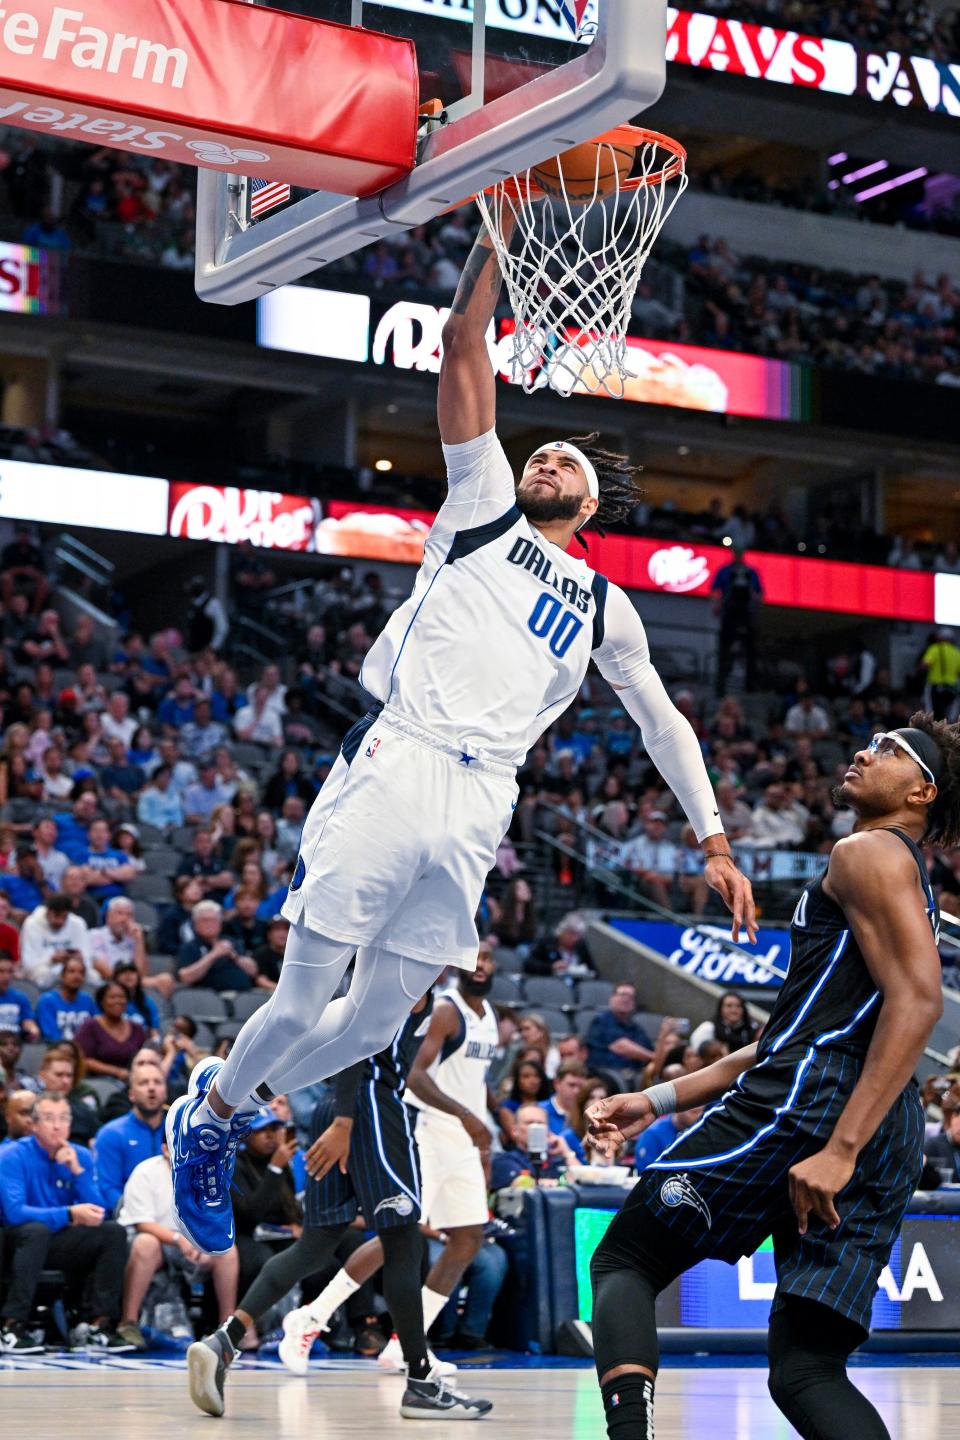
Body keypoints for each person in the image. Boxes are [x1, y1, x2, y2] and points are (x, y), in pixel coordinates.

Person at [165, 214, 755, 1258]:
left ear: (593, 500)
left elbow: (664, 722)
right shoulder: (482, 504)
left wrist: (711, 837)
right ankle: (214, 1117)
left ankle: (223, 1097)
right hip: (406, 755)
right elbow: (464, 345)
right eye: (539, 450)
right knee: (308, 993)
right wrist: (496, 230)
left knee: (376, 1025)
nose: (545, 460)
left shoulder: (608, 607)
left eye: (563, 457)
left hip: (486, 800)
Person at [586, 715, 954, 1440]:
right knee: (805, 1371)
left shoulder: (865, 852)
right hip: (884, 1120)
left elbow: (920, 1001)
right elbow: (782, 1038)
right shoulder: (911, 885)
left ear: (921, 791)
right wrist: (655, 1097)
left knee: (626, 1259)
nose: (863, 751)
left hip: (818, 1105)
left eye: (889, 751)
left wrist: (840, 1146)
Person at [188, 1002, 492, 1421]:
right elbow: (358, 1039)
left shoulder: (405, 973)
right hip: (369, 1109)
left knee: (315, 1245)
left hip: (339, 1105)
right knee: (403, 1242)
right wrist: (346, 1123)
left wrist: (341, 1116)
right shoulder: (409, 963)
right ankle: (420, 1381)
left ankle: (226, 1339)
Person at [401, 943, 501, 1369]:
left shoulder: (490, 1015)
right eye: (474, 959)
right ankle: (314, 1315)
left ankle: (405, 1344)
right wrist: (467, 1116)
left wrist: (496, 1120)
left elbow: (470, 1078)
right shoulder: (446, 1009)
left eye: (488, 960)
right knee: (401, 1231)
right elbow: (415, 1075)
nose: (481, 967)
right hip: (431, 1128)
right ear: (459, 965)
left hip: (463, 1135)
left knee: (467, 1238)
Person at [0, 1093, 131, 1353]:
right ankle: (11, 1326)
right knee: (35, 1232)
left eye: (63, 1119)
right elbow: (15, 1213)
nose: (57, 1126)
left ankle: (96, 1326)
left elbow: (100, 1213)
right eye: (49, 1119)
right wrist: (69, 1214)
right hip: (15, 1242)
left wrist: (78, 1173)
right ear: (34, 1124)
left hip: (57, 1242)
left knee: (113, 1233)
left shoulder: (80, 1156)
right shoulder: (11, 1155)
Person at [117, 1145, 239, 1352]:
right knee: (146, 1243)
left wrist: (201, 1240)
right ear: (166, 1148)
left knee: (226, 1250)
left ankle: (227, 1328)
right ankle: (128, 1323)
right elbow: (142, 1223)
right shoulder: (146, 1172)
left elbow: (214, 1218)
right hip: (155, 1240)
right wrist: (177, 1239)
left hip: (191, 1242)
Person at [94, 1062, 167, 1215]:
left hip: (174, 1214)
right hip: (129, 1216)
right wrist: (137, 1215)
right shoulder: (111, 1134)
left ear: (165, 1091)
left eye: (157, 1082)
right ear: (131, 1094)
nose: (151, 1088)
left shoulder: (180, 1133)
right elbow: (108, 1188)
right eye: (143, 1083)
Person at [711, 543, 763, 695]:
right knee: (725, 652)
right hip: (729, 615)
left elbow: (759, 594)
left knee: (750, 652)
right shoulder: (725, 571)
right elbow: (714, 590)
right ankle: (720, 687)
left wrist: (755, 610)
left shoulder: (752, 572)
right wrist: (716, 606)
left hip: (746, 616)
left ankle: (750, 686)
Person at [177, 900, 260, 992]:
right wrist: (214, 954)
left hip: (243, 994)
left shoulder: (232, 942)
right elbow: (185, 978)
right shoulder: (190, 947)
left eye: (214, 920)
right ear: (195, 924)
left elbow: (253, 971)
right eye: (205, 920)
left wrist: (234, 955)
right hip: (211, 998)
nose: (210, 924)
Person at [75, 981, 148, 1081]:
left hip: (133, 1081)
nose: (118, 1001)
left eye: (122, 997)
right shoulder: (90, 1026)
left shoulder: (137, 1028)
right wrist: (116, 1072)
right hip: (99, 1082)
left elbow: (146, 1056)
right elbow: (84, 1060)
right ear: (102, 1001)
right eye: (112, 997)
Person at [586, 984, 655, 1081]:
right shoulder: (602, 1021)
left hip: (634, 1074)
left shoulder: (635, 1027)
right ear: (612, 998)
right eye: (622, 995)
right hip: (605, 1075)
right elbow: (621, 1046)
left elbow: (649, 1048)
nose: (626, 999)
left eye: (630, 997)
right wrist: (654, 1057)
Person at [36, 953, 97, 1041]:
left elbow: (96, 1030)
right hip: (57, 1050)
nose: (77, 976)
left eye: (81, 973)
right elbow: (51, 1034)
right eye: (71, 971)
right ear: (62, 976)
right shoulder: (47, 1001)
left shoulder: (88, 1000)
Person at [689, 991, 757, 1053]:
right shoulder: (708, 1028)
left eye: (738, 1006)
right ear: (721, 1009)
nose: (734, 1010)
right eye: (729, 1006)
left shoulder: (752, 1028)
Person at [922, 628, 960, 721]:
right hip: (952, 688)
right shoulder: (957, 652)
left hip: (935, 686)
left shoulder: (935, 648)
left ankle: (931, 732)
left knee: (931, 714)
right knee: (948, 716)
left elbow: (925, 664)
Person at [0, 952, 39, 1039]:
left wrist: (32, 1030)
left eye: (10, 972)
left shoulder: (20, 998)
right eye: (1, 971)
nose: (6, 976)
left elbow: (28, 1021)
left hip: (14, 1045)